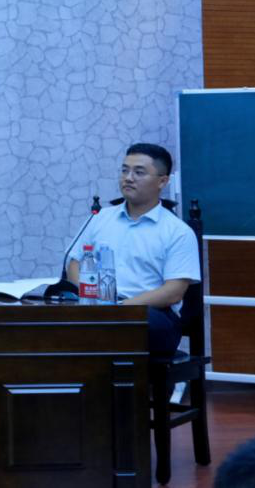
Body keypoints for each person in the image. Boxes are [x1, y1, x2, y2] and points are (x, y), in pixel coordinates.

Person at [66, 143, 200, 356]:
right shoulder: (99, 218)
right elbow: (74, 263)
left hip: (149, 314)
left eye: (139, 172)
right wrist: (90, 297)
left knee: (124, 325)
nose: (128, 178)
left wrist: (120, 307)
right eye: (124, 170)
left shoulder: (177, 232)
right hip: (95, 307)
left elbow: (173, 292)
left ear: (162, 181)